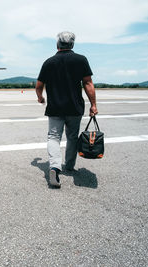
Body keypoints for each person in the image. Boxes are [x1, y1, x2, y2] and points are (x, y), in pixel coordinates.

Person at [35, 31, 98, 188]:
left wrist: (40, 97)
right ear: (72, 44)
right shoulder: (81, 60)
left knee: (54, 137)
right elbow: (88, 83)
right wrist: (93, 105)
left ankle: (54, 168)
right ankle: (69, 166)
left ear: (58, 44)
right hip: (74, 107)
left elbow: (39, 85)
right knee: (72, 137)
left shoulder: (49, 62)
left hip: (55, 107)